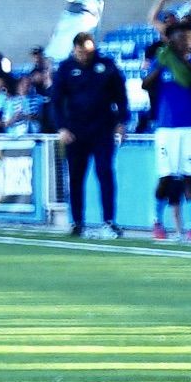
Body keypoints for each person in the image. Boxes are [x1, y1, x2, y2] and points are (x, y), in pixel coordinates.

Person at [43, 31, 127, 239]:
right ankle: (77, 222)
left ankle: (109, 222)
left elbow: (121, 95)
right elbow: (55, 102)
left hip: (102, 130)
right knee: (76, 178)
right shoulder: (65, 68)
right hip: (75, 132)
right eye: (81, 52)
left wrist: (121, 121)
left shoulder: (106, 65)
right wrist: (61, 127)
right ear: (75, 50)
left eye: (88, 52)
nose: (84, 56)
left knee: (105, 172)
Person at [146, 16, 191, 242]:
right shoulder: (162, 60)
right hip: (166, 127)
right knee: (165, 177)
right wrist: (162, 64)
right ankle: (156, 221)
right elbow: (146, 84)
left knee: (190, 177)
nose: (185, 42)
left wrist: (178, 60)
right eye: (180, 38)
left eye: (188, 38)